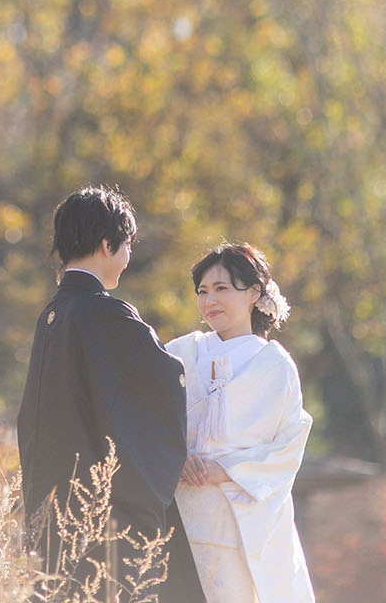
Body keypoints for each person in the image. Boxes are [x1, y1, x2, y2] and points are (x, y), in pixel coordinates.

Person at [17, 187, 192, 601]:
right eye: (126, 245)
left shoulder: (52, 315)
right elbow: (162, 383)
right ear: (107, 244)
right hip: (98, 516)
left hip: (56, 507)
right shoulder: (106, 314)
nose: (127, 257)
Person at [164, 244, 315, 603]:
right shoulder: (179, 353)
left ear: (254, 293)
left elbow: (288, 445)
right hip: (180, 513)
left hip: (242, 519)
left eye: (221, 289)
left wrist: (227, 470)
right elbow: (147, 419)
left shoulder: (276, 366)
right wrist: (175, 457)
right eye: (202, 291)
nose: (209, 300)